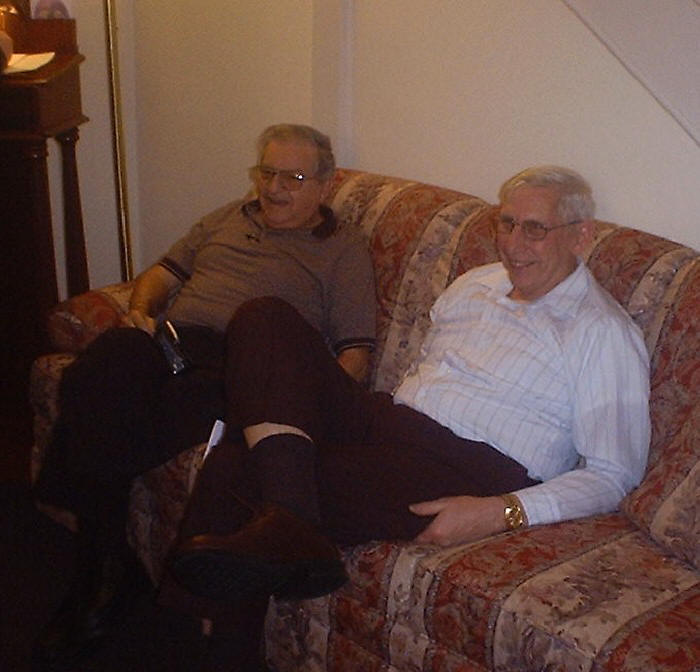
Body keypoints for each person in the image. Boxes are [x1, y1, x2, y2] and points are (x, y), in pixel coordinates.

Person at [169, 165, 651, 670]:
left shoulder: (602, 333)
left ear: (580, 236)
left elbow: (613, 474)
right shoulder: (475, 284)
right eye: (507, 223)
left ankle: (208, 641)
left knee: (241, 464)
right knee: (264, 317)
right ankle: (290, 521)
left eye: (535, 229)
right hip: (391, 420)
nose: (513, 244)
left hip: (468, 466)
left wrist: (501, 511)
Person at [32, 123, 376, 669]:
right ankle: (111, 559)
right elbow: (163, 274)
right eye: (267, 173)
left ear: (325, 185)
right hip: (169, 341)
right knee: (96, 371)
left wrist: (309, 405)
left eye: (293, 178)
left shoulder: (342, 248)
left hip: (241, 366)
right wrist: (139, 311)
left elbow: (356, 350)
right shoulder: (228, 217)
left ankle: (100, 574)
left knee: (123, 416)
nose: (274, 188)